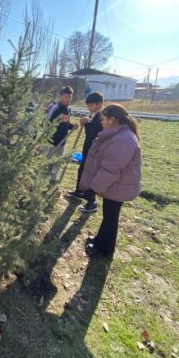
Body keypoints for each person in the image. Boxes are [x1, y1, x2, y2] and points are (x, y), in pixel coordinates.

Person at [79, 104, 142, 257]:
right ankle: (101, 240)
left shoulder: (123, 139)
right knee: (109, 215)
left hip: (119, 185)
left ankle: (105, 249)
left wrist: (93, 188)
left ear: (112, 120)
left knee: (111, 217)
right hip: (117, 184)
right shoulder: (120, 135)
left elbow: (111, 169)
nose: (101, 122)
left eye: (103, 119)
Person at [66, 91, 104, 212]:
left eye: (91, 105)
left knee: (90, 173)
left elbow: (94, 133)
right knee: (82, 169)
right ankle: (79, 191)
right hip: (88, 148)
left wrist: (86, 124)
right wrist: (87, 121)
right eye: (88, 106)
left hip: (95, 150)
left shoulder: (102, 116)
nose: (89, 108)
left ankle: (91, 201)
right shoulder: (94, 115)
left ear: (100, 104)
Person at [47, 86, 76, 180]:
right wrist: (57, 120)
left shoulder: (66, 109)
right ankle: (44, 181)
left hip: (62, 142)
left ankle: (53, 180)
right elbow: (48, 123)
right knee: (48, 163)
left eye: (70, 97)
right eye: (66, 97)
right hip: (52, 142)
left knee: (57, 163)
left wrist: (72, 126)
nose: (68, 99)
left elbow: (65, 124)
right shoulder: (56, 108)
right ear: (60, 96)